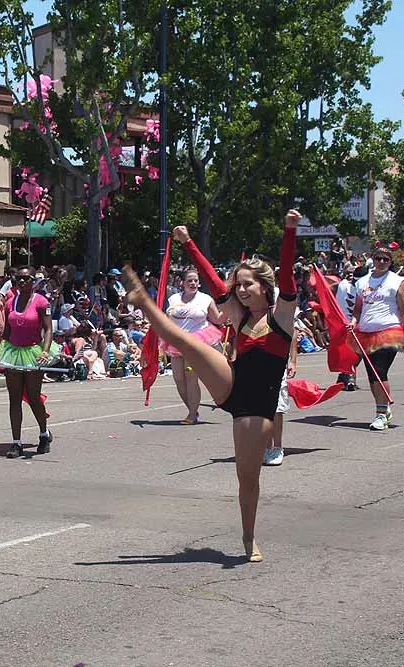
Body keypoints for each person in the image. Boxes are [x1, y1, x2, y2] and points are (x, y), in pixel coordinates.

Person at [125, 210, 300, 563]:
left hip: (258, 406)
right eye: (239, 285)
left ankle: (248, 537)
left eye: (248, 284)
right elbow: (216, 285)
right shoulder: (239, 315)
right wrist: (188, 242)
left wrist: (289, 231)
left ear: (265, 287)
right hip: (232, 385)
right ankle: (144, 301)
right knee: (189, 344)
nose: (241, 290)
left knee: (247, 479)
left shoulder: (281, 315)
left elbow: (287, 274)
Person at [348, 243, 404, 431]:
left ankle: (380, 414)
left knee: (380, 369)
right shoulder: (362, 282)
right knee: (372, 375)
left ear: (390, 262)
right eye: (379, 258)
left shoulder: (397, 281)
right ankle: (383, 409)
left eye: (386, 259)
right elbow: (358, 309)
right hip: (366, 333)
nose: (382, 262)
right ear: (373, 260)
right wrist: (353, 322)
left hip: (389, 331)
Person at [0, 266, 53, 458]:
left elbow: (48, 329)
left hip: (33, 352)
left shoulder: (41, 302)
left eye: (26, 278)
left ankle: (44, 434)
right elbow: (7, 332)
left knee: (34, 398)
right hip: (13, 352)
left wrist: (45, 351)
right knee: (14, 398)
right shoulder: (10, 302)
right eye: (18, 278)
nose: (21, 282)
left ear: (33, 281)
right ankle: (16, 442)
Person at [163, 270, 225, 424]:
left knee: (190, 376)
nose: (193, 283)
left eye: (196, 280)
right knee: (178, 378)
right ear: (182, 283)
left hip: (197, 342)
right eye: (189, 280)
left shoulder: (205, 299)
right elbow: (167, 318)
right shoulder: (173, 298)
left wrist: (230, 308)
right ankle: (193, 410)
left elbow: (217, 319)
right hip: (177, 341)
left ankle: (191, 414)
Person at [264, 328, 298, 466]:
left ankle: (277, 447)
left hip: (277, 362)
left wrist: (293, 361)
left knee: (277, 408)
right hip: (255, 363)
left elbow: (292, 333)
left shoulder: (279, 315)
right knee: (262, 409)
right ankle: (267, 447)